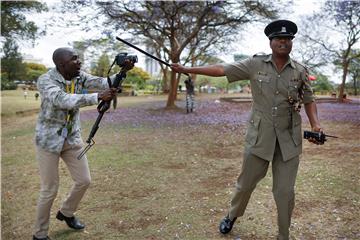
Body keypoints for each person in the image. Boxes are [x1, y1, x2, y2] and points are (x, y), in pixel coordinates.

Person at [171, 19, 323, 240]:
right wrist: (187, 68)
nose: (284, 41)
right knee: (245, 185)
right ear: (270, 42)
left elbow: (309, 100)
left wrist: (316, 125)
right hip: (259, 137)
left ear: (292, 43)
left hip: (289, 140)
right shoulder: (255, 65)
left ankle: (283, 235)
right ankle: (232, 215)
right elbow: (221, 69)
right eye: (279, 38)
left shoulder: (300, 71)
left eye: (288, 39)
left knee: (284, 192)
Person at [33, 47, 134, 240]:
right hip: (48, 140)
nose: (79, 62)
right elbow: (62, 99)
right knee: (49, 189)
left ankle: (66, 213)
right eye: (74, 59)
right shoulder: (46, 80)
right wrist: (97, 97)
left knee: (84, 180)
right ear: (62, 64)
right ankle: (39, 234)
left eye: (78, 58)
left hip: (71, 137)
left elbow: (105, 82)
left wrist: (122, 72)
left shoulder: (79, 76)